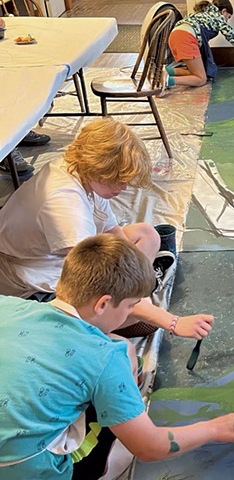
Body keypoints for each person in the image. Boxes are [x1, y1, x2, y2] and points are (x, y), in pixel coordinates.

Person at [0, 236, 234, 480]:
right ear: (104, 303)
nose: (131, 313)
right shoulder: (104, 357)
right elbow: (151, 447)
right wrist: (212, 429)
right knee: (124, 422)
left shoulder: (8, 306)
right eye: (131, 306)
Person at [0, 117, 212, 340]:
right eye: (119, 181)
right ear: (100, 169)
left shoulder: (79, 169)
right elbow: (97, 278)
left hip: (55, 257)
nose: (124, 187)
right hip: (32, 283)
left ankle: (131, 305)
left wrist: (135, 282)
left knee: (147, 235)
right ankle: (113, 319)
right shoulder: (64, 202)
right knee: (141, 317)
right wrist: (172, 322)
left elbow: (114, 234)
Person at [165, 0, 234, 89]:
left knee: (198, 71)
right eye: (228, 17)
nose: (227, 20)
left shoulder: (201, 13)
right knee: (201, 79)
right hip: (187, 38)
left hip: (174, 35)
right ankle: (167, 81)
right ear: (224, 11)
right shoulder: (219, 18)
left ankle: (167, 71)